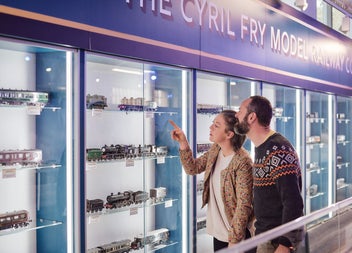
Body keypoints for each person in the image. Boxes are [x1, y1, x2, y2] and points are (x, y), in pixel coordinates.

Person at [169, 110, 254, 252]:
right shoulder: (216, 150)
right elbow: (192, 168)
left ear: (229, 134)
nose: (210, 128)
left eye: (216, 125)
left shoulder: (243, 162)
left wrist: (234, 241)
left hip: (237, 237)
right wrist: (183, 142)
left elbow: (244, 205)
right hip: (220, 234)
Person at [234, 95, 304, 253]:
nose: (236, 115)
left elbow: (293, 201)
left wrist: (285, 243)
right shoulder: (264, 147)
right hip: (267, 236)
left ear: (251, 117)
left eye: (239, 111)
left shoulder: (277, 149)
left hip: (276, 241)